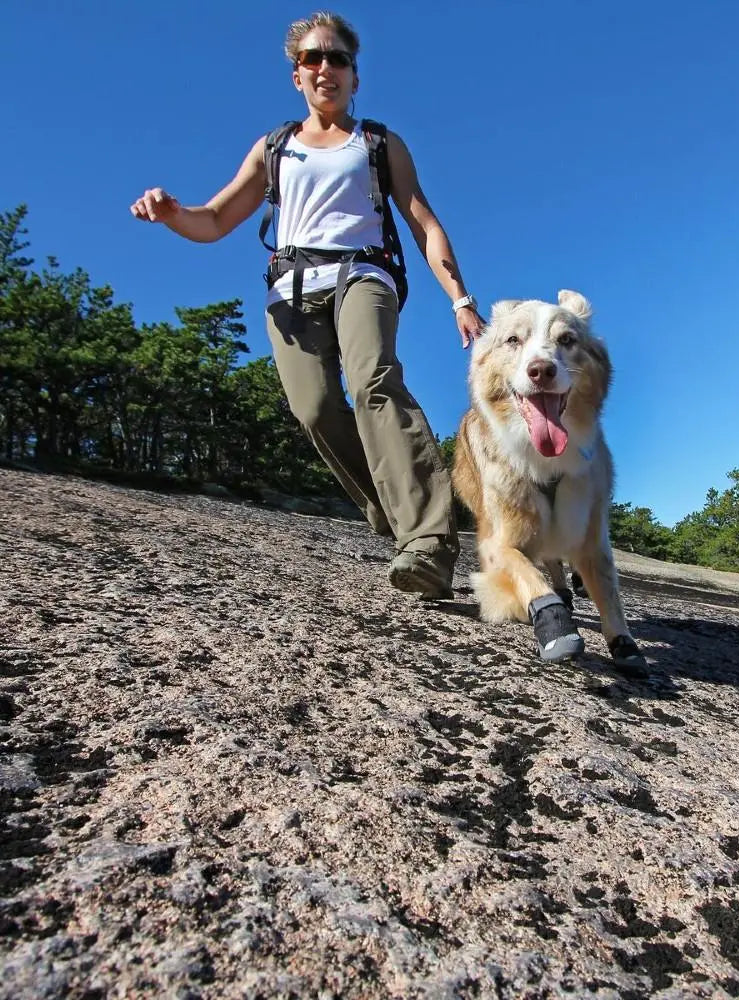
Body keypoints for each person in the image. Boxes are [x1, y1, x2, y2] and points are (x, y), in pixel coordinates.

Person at [130, 10, 484, 600]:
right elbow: (215, 220)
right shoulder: (273, 149)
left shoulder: (378, 143)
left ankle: (428, 543)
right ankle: (395, 511)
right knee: (315, 409)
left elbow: (423, 222)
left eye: (338, 58)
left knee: (372, 379)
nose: (326, 68)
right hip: (290, 288)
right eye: (312, 59)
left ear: (355, 75)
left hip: (362, 274)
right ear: (296, 75)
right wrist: (172, 215)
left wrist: (460, 299)